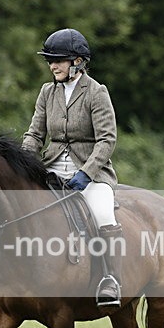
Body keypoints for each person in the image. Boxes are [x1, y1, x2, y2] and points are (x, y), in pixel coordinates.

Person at [22, 28, 122, 307]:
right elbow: (34, 134)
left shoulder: (96, 92)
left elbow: (107, 139)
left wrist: (86, 174)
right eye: (50, 60)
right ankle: (11, 277)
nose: (53, 65)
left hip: (90, 173)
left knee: (103, 213)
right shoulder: (47, 92)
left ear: (77, 61)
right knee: (17, 206)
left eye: (59, 60)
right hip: (51, 168)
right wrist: (22, 163)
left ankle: (110, 279)